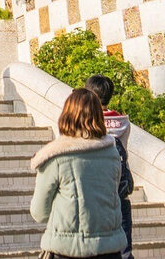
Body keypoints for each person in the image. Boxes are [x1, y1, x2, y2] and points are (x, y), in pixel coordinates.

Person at [30, 88, 127, 259]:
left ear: (67, 114)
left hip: (68, 250)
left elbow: (39, 212)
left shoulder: (56, 156)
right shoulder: (111, 152)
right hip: (110, 249)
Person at [85, 75, 134, 259]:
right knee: (125, 251)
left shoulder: (89, 123)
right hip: (119, 189)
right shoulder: (123, 122)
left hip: (97, 193)